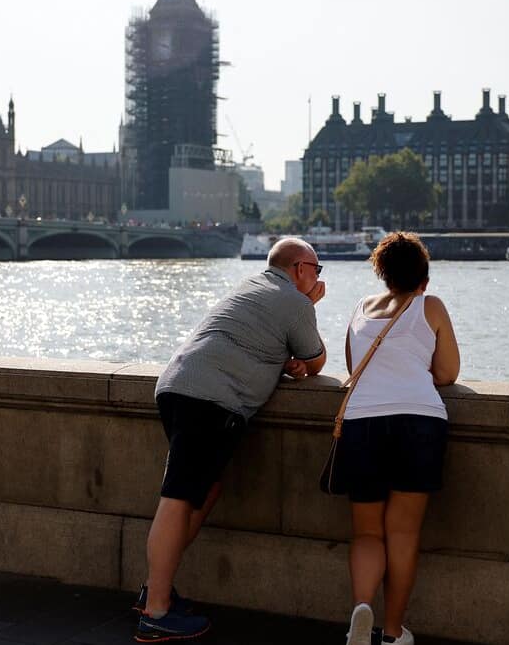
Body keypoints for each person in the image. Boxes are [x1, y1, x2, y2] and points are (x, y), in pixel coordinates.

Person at [135, 237, 328, 642]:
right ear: (298, 269)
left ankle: (157, 586)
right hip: (210, 399)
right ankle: (155, 611)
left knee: (204, 490)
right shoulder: (294, 300)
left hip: (178, 385)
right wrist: (310, 305)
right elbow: (316, 359)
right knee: (179, 497)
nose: (317, 276)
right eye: (316, 268)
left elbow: (264, 343)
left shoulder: (249, 286)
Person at [340, 232, 460, 645]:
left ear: (383, 273)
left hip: (361, 424)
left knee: (368, 533)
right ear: (423, 276)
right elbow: (447, 373)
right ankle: (392, 633)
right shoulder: (431, 306)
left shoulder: (360, 309)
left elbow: (354, 367)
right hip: (418, 421)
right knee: (403, 533)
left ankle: (360, 607)